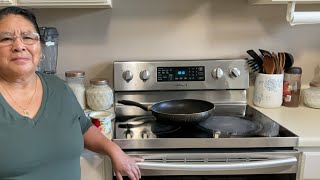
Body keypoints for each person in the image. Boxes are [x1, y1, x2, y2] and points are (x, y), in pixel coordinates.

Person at [0, 6, 143, 180]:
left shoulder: (59, 88)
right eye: (6, 38)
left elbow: (84, 127)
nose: (19, 46)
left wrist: (114, 150)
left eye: (28, 37)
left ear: (39, 47)